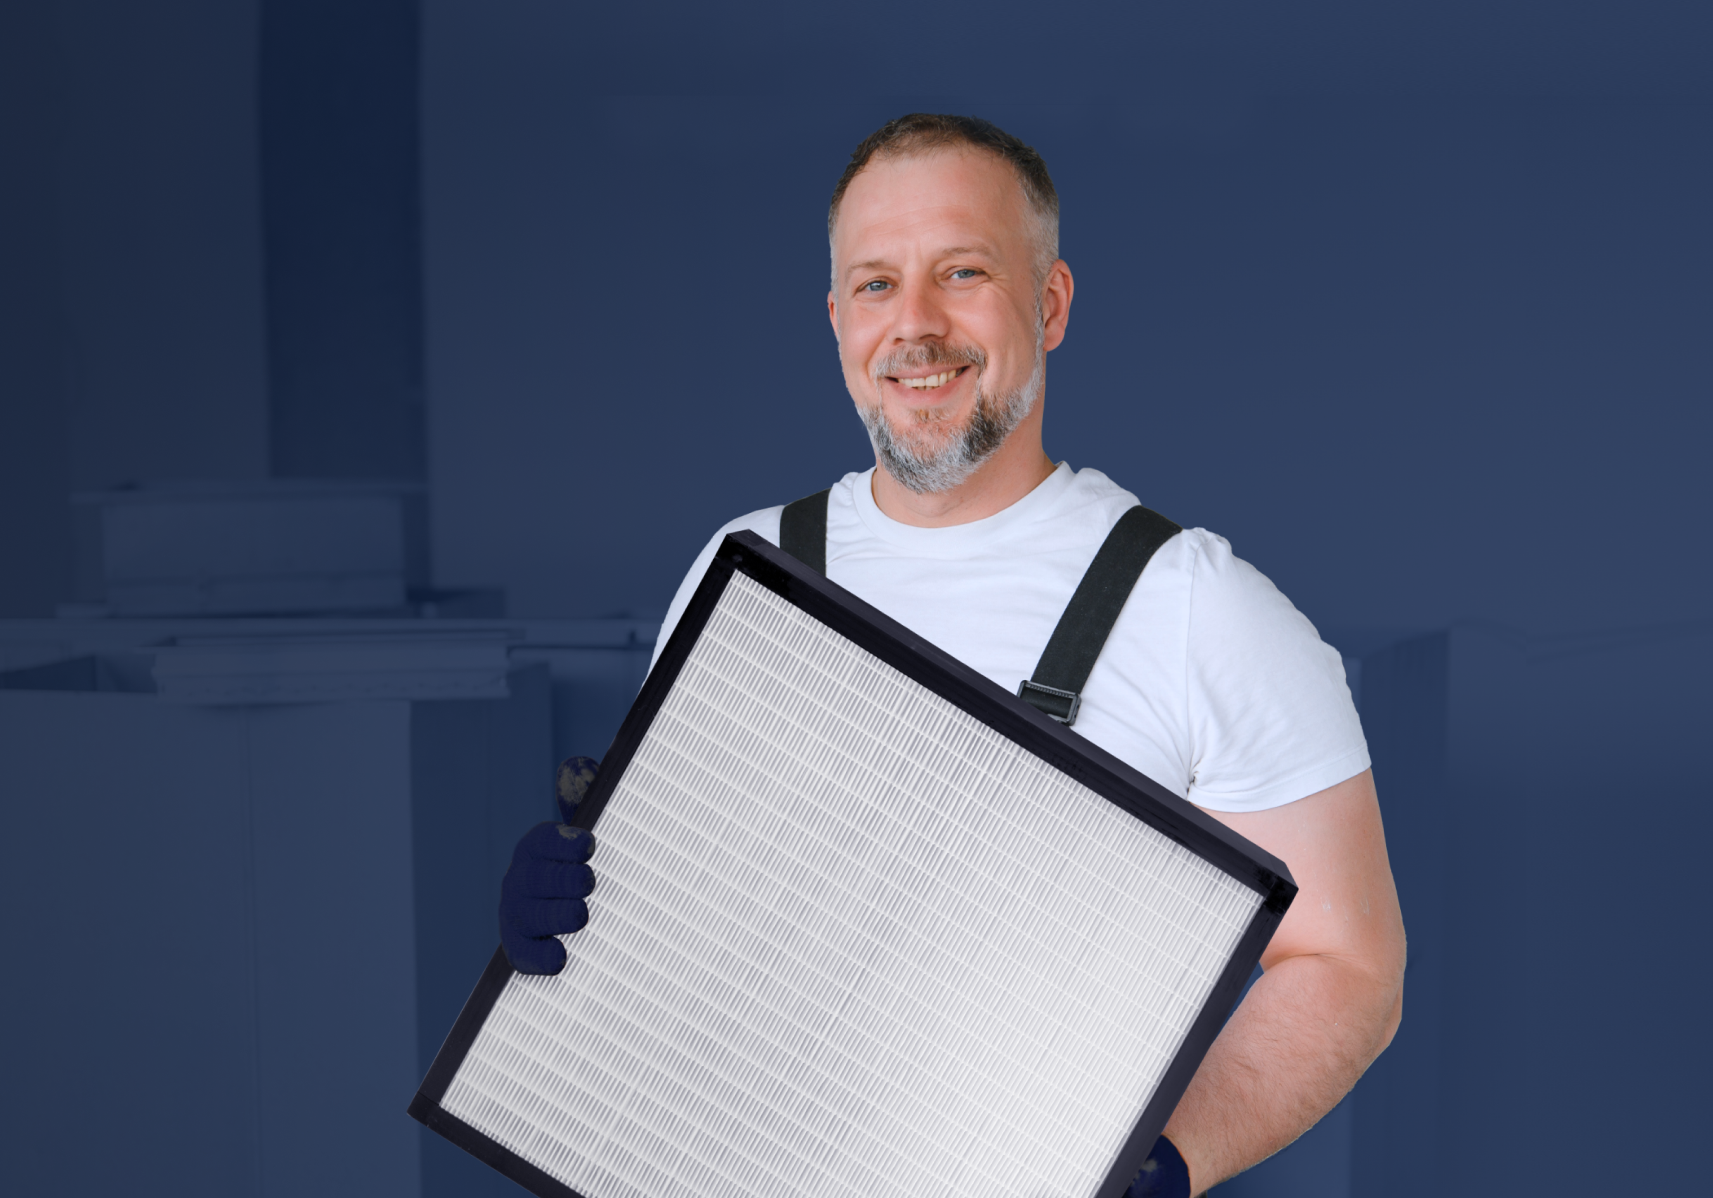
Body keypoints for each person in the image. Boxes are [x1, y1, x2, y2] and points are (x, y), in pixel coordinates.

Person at [498, 114, 1405, 1197]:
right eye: (876, 285)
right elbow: (694, 909)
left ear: (1051, 303)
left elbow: (1348, 966)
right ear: (837, 320)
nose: (915, 325)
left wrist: (1163, 1162)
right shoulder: (743, 567)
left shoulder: (1197, 607)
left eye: (962, 272)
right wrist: (579, 915)